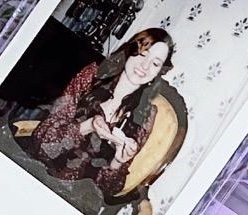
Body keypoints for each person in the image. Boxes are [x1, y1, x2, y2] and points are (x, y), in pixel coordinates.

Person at [20, 27, 176, 203]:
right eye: (143, 54)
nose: (145, 66)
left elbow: (105, 191)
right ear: (131, 50)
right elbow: (43, 143)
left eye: (155, 63)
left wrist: (117, 162)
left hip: (74, 200)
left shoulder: (145, 115)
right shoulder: (92, 77)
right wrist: (88, 126)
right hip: (37, 172)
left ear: (158, 72)